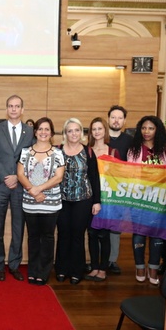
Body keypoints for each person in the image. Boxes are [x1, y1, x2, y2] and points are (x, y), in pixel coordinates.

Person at [0, 94, 33, 281]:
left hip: (21, 185)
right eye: (10, 106)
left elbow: (31, 158)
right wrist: (6, 177)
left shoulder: (30, 131)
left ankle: (14, 264)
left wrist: (17, 177)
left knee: (18, 227)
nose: (14, 109)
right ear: (6, 109)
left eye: (17, 106)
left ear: (22, 110)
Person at [127, 115, 166, 284]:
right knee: (139, 233)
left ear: (157, 130)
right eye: (144, 128)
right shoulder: (133, 149)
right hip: (139, 197)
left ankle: (153, 267)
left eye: (151, 128)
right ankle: (140, 266)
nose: (147, 132)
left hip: (160, 198)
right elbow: (130, 173)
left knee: (157, 234)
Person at [17, 117, 64, 285]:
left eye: (47, 129)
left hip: (51, 203)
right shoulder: (25, 152)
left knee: (48, 237)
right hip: (30, 202)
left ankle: (44, 272)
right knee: (33, 237)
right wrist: (32, 190)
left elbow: (59, 177)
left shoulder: (58, 153)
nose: (43, 132)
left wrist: (39, 189)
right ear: (35, 132)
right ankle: (33, 270)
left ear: (51, 133)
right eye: (40, 129)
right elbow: (20, 174)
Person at [55, 118, 100, 285]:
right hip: (62, 200)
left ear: (81, 132)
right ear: (65, 133)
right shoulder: (57, 151)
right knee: (63, 234)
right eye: (69, 131)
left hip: (83, 200)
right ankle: (61, 269)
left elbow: (94, 177)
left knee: (78, 235)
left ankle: (76, 271)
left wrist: (97, 201)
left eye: (76, 130)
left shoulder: (88, 152)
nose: (73, 134)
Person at [85, 117, 119, 282]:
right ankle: (94, 267)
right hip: (90, 197)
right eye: (94, 129)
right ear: (91, 132)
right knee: (92, 234)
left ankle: (103, 268)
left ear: (105, 130)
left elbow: (120, 176)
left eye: (100, 128)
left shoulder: (113, 152)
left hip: (108, 199)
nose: (97, 132)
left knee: (104, 235)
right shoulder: (87, 151)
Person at [105, 105, 132, 275]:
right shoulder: (101, 137)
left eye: (119, 118)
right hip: (100, 188)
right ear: (108, 119)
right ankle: (97, 259)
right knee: (98, 226)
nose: (116, 120)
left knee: (115, 227)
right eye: (113, 117)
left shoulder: (129, 141)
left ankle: (112, 260)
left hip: (119, 190)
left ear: (124, 121)